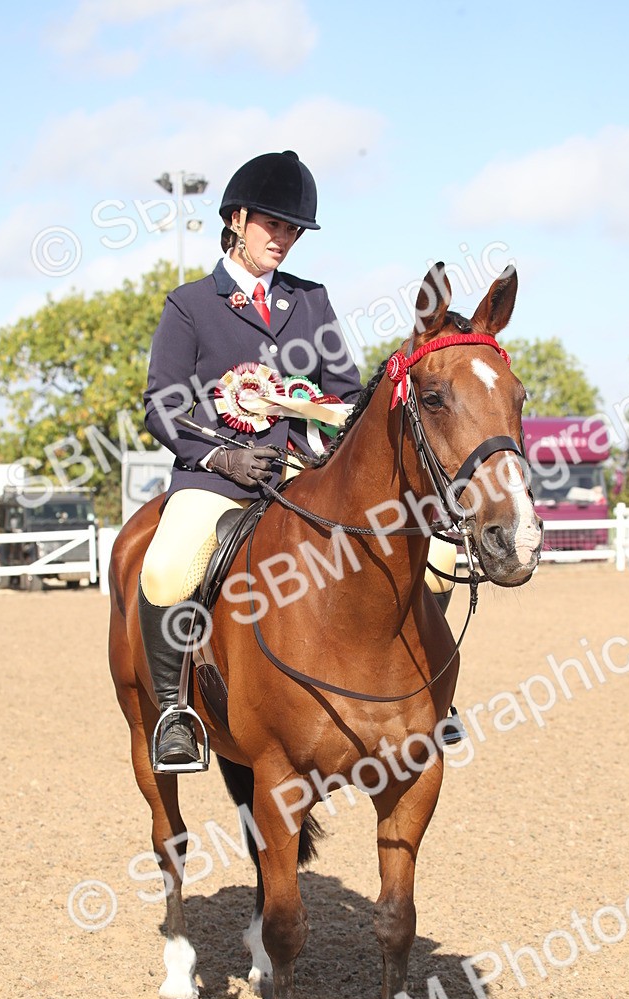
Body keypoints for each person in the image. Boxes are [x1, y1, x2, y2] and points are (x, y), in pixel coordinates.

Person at [139, 149, 460, 773]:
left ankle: (426, 695)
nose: (284, 240)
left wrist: (323, 435)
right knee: (169, 564)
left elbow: (344, 393)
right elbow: (162, 404)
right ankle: (175, 713)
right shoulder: (190, 305)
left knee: (439, 554)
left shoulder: (310, 301)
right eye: (274, 226)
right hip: (218, 479)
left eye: (293, 231)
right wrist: (217, 459)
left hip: (300, 474)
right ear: (236, 219)